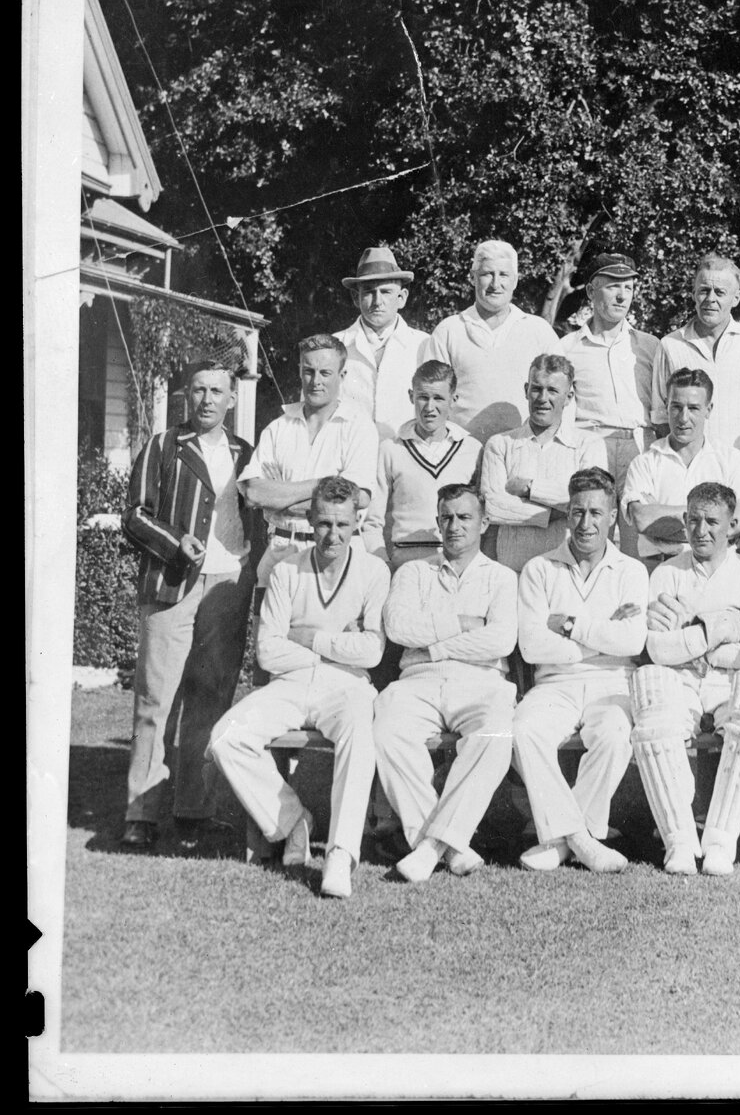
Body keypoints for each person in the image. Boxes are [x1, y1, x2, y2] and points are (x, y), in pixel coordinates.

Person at [206, 477, 389, 899]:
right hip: (291, 683)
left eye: (343, 525)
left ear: (356, 522)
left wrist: (310, 639)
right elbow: (268, 652)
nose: (333, 535)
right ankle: (292, 821)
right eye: (324, 523)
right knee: (225, 739)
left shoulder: (373, 570)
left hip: (348, 686)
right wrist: (338, 648)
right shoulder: (286, 569)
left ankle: (340, 855)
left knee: (361, 732)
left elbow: (374, 651)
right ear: (309, 519)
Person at [119, 359, 258, 848]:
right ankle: (141, 813)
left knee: (210, 695)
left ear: (231, 399)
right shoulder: (164, 445)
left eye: (217, 391)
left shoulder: (247, 452)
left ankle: (194, 811)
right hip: (172, 583)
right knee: (156, 697)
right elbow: (134, 515)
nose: (207, 400)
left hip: (228, 584)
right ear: (186, 395)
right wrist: (174, 541)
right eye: (198, 390)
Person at [372, 484, 518, 883]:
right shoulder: (413, 571)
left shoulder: (502, 578)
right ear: (437, 522)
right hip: (418, 681)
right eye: (447, 518)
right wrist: (462, 624)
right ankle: (448, 844)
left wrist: (434, 646)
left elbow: (500, 640)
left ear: (484, 522)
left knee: (496, 731)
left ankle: (430, 847)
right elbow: (399, 627)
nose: (455, 526)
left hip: (481, 680)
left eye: (465, 517)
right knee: (386, 725)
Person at [630, 482, 740, 875]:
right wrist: (718, 627)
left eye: (712, 521)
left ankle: (721, 842)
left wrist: (690, 636)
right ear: (683, 522)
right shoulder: (666, 573)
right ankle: (678, 840)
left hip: (730, 680)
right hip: (681, 680)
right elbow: (659, 650)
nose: (702, 530)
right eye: (693, 520)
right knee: (654, 716)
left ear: (732, 527)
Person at [512, 468, 649, 873]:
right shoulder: (539, 569)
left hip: (613, 682)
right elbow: (532, 645)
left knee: (613, 735)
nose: (586, 524)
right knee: (523, 730)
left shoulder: (631, 571)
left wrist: (571, 625)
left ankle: (562, 841)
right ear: (567, 514)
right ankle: (582, 840)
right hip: (555, 683)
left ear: (612, 518)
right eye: (577, 512)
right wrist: (602, 636)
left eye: (595, 513)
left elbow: (632, 643)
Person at [239, 332, 380, 587]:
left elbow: (359, 497)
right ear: (300, 371)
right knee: (270, 627)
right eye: (308, 371)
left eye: (325, 373)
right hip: (282, 549)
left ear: (342, 376)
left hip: (337, 554)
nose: (315, 381)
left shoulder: (359, 426)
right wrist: (327, 485)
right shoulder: (278, 427)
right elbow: (253, 493)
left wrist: (279, 499)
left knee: (332, 628)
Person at [558, 253, 659, 556]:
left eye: (627, 288)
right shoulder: (568, 348)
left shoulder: (650, 346)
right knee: (587, 539)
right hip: (591, 448)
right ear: (590, 291)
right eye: (612, 286)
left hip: (638, 448)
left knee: (637, 549)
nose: (621, 296)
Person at [421, 240, 561, 441]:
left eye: (503, 275)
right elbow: (430, 398)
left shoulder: (539, 331)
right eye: (487, 274)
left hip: (524, 451)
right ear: (473, 278)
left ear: (515, 280)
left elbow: (563, 395)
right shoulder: (449, 331)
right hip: (462, 454)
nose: (496, 284)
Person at [480, 354, 608, 574]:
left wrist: (530, 489)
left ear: (568, 397)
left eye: (553, 391)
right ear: (526, 390)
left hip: (568, 572)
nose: (543, 398)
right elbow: (493, 508)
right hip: (512, 571)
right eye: (537, 389)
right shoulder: (500, 444)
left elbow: (590, 501)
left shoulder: (589, 444)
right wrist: (557, 513)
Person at [650, 254, 740, 475]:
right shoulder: (670, 345)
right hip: (689, 468)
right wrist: (681, 461)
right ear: (694, 294)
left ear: (736, 297)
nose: (710, 299)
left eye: (720, 292)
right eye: (704, 290)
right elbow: (660, 417)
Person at [624, 367, 740, 568]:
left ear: (708, 409)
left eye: (693, 408)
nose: (683, 418)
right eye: (676, 407)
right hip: (662, 568)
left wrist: (663, 513)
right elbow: (642, 520)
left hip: (718, 569)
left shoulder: (732, 460)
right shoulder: (645, 462)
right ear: (666, 406)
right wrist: (714, 519)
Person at [373, 360, 484, 571]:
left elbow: (481, 518)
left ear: (453, 400)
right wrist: (383, 565)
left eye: (438, 398)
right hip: (405, 562)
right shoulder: (391, 449)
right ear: (411, 396)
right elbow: (372, 521)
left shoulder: (472, 449)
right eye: (423, 397)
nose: (430, 407)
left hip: (459, 564)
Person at [333, 246, 430, 442]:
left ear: (401, 297)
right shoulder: (334, 346)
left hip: (407, 456)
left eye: (386, 292)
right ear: (356, 298)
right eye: (369, 292)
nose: (378, 301)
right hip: (348, 459)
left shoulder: (424, 344)